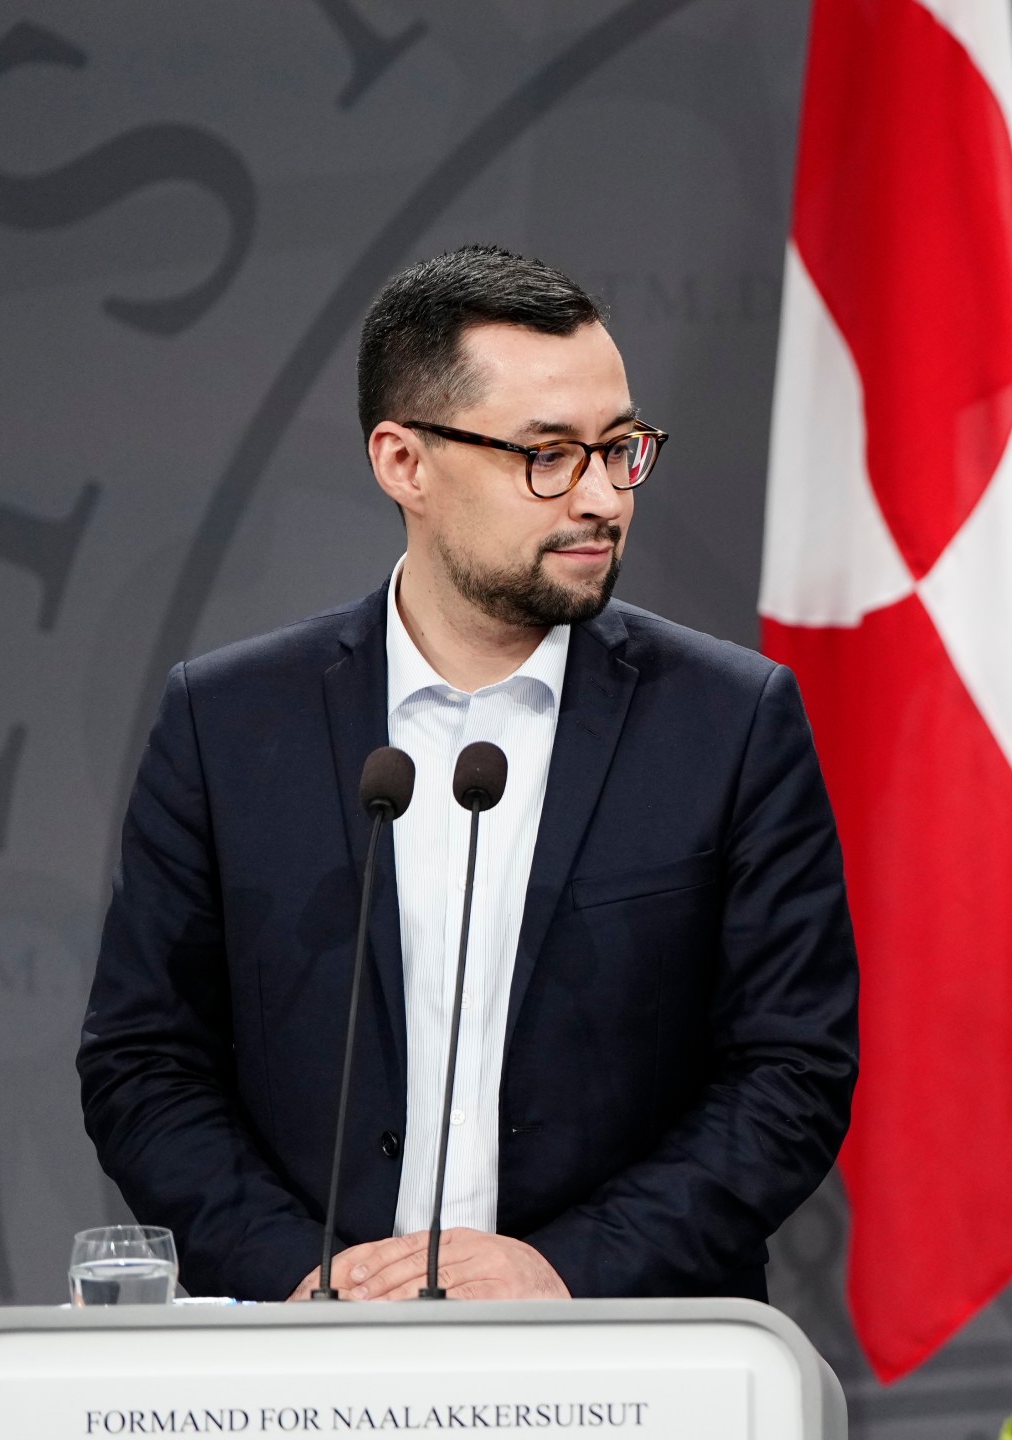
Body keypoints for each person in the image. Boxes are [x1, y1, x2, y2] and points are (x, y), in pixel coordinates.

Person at [79, 245, 859, 1302]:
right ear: (404, 462)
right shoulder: (226, 723)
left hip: (623, 1359)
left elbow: (790, 1072)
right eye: (547, 454)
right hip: (310, 1369)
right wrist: (303, 1279)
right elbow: (143, 1063)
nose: (601, 498)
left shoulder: (730, 722)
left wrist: (562, 1271)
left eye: (619, 448)